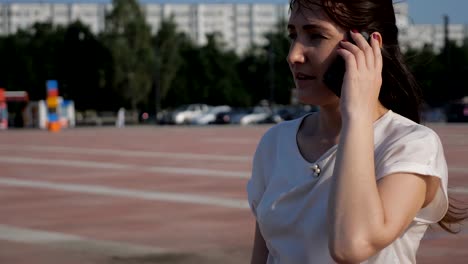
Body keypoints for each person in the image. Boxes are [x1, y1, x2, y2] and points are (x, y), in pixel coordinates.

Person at [246, 0, 467, 263]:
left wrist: (357, 114)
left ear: (368, 45)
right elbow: (263, 256)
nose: (294, 55)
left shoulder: (411, 145)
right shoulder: (275, 143)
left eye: (315, 35)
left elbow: (351, 245)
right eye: (293, 35)